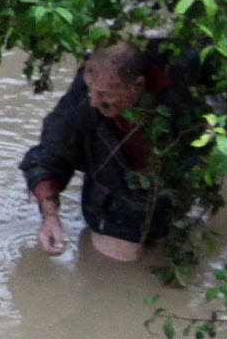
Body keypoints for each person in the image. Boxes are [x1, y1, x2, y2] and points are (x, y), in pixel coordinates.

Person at [21, 40, 204, 261]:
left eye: (104, 95)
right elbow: (50, 155)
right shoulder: (89, 92)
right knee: (118, 259)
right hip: (110, 198)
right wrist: (50, 217)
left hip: (170, 193)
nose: (93, 102)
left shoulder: (182, 96)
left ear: (137, 86)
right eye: (91, 91)